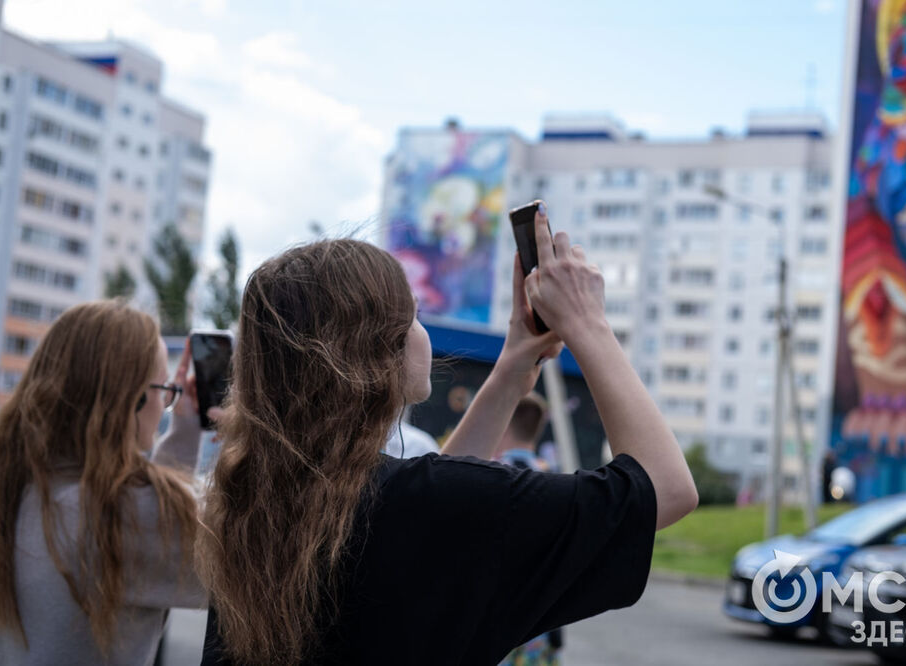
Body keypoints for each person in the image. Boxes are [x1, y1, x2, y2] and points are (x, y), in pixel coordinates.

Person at [197, 207, 698, 665]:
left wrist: (511, 368)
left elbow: (427, 520)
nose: (422, 330)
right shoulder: (431, 505)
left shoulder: (252, 502)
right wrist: (588, 324)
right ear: (377, 351)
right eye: (412, 315)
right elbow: (665, 488)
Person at [0, 301, 207, 665]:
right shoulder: (117, 516)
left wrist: (185, 429)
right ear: (130, 400)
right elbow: (256, 568)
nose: (163, 405)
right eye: (161, 389)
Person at [495, 392, 563, 666]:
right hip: (537, 623)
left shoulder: (486, 474)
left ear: (505, 422)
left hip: (492, 615)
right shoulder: (557, 481)